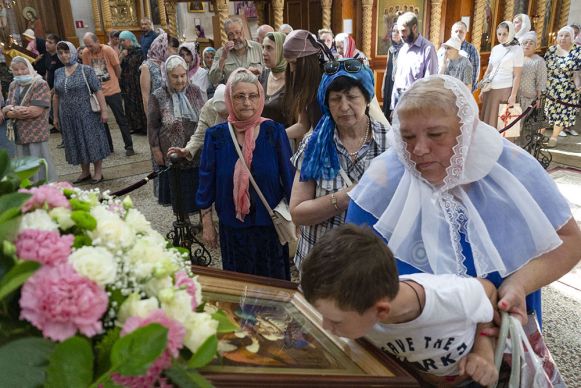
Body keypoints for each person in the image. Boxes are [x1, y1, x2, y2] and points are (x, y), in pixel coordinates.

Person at [346, 74, 581, 329]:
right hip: (410, 336)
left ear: (468, 130)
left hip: (499, 326)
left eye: (436, 134)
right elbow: (352, 264)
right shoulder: (383, 180)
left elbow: (569, 241)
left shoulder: (514, 170)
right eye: (408, 137)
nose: (420, 149)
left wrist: (519, 283)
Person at [301, 224, 498, 387]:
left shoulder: (449, 295)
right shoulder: (359, 309)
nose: (325, 326)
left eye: (335, 321)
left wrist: (483, 350)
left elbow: (488, 291)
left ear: (381, 311)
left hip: (467, 379)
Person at [289, 59, 390, 271]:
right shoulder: (314, 144)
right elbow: (298, 212)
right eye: (335, 99)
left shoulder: (390, 144)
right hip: (320, 263)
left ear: (367, 97)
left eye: (352, 97)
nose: (344, 107)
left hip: (371, 266)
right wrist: (348, 197)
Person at [196, 68, 294, 280]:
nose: (247, 103)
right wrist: (207, 223)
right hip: (233, 227)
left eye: (252, 96)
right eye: (240, 96)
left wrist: (299, 218)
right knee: (239, 287)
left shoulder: (273, 132)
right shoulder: (216, 136)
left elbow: (289, 178)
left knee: (273, 286)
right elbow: (206, 181)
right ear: (230, 99)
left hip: (270, 226)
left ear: (260, 97)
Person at [148, 55, 205, 213]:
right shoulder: (158, 95)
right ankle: (183, 220)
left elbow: (205, 116)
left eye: (183, 75)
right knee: (179, 189)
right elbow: (152, 126)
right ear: (167, 75)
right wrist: (155, 149)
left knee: (198, 186)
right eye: (175, 76)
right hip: (171, 153)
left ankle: (202, 219)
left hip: (195, 152)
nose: (180, 80)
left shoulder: (195, 90)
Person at [53, 41, 110, 184]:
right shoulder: (58, 72)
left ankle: (98, 172)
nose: (64, 55)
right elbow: (56, 95)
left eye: (66, 52)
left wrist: (104, 111)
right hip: (67, 115)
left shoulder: (86, 70)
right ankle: (85, 171)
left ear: (72, 52)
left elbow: (97, 90)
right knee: (76, 141)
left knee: (92, 141)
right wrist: (55, 116)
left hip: (87, 113)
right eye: (60, 53)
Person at [2, 56, 56, 182]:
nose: (20, 72)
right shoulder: (13, 85)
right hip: (18, 132)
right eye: (16, 70)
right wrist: (11, 112)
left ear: (29, 68)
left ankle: (47, 186)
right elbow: (6, 110)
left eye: (23, 69)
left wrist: (12, 110)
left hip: (35, 131)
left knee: (39, 159)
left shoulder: (40, 83)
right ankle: (29, 189)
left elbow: (35, 111)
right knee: (23, 163)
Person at [83, 32, 135, 156]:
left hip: (113, 90)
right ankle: (108, 147)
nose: (89, 48)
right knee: (102, 121)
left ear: (97, 41)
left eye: (90, 45)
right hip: (97, 91)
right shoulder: (86, 53)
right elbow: (87, 71)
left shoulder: (108, 50)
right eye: (86, 46)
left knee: (121, 119)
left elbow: (118, 68)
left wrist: (115, 82)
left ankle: (129, 146)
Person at [283, 29, 331, 140]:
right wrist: (276, 136)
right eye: (288, 63)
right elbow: (303, 125)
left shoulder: (329, 82)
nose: (291, 69)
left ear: (307, 61)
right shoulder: (304, 82)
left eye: (294, 63)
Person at [479, 21, 523, 128]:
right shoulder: (495, 49)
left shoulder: (517, 50)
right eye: (499, 34)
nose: (501, 37)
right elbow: (489, 71)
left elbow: (517, 75)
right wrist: (482, 90)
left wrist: (513, 95)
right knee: (488, 121)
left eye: (504, 34)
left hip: (504, 91)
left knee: (502, 124)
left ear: (511, 33)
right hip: (490, 90)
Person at [168, 84, 227, 161]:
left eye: (226, 113)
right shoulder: (208, 107)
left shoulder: (241, 107)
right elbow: (200, 135)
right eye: (219, 113)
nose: (224, 117)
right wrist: (187, 149)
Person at [391, 12, 438, 109]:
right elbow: (398, 80)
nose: (401, 35)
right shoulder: (403, 49)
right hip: (399, 101)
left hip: (416, 103)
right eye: (399, 31)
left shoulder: (428, 49)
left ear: (414, 28)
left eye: (403, 31)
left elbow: (430, 82)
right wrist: (393, 106)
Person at [544, 26, 581, 147]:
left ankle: (554, 137)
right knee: (546, 112)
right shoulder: (551, 50)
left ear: (572, 38)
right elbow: (545, 68)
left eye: (566, 36)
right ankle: (540, 135)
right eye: (561, 35)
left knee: (561, 114)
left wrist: (578, 86)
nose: (563, 38)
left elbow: (576, 73)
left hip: (568, 89)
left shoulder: (577, 51)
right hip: (550, 86)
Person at [209, 17, 263, 86]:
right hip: (233, 94)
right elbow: (213, 80)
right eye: (231, 34)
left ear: (243, 31)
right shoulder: (221, 53)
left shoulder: (257, 48)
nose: (235, 37)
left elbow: (267, 72)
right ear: (227, 36)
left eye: (238, 32)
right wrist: (223, 58)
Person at [517, 31, 547, 144]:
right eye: (525, 42)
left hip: (529, 100)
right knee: (513, 127)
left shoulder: (539, 61)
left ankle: (523, 149)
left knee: (525, 128)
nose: (527, 45)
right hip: (515, 98)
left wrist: (539, 99)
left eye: (531, 43)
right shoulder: (517, 58)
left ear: (535, 46)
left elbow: (541, 82)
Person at [118, 31, 147, 136]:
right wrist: (121, 56)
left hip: (137, 82)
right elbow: (118, 65)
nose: (121, 43)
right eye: (120, 40)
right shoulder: (123, 52)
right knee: (129, 104)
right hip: (127, 83)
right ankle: (134, 126)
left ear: (130, 40)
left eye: (123, 40)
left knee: (139, 103)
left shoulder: (140, 51)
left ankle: (143, 126)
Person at [261, 32, 289, 126]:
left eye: (269, 48)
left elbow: (301, 125)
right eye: (263, 47)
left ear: (282, 50)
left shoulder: (292, 81)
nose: (264, 52)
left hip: (284, 137)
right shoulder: (262, 76)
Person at [448, 21, 480, 92]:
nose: (458, 34)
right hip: (447, 89)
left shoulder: (472, 49)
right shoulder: (446, 47)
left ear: (465, 34)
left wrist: (469, 92)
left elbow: (475, 72)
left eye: (461, 32)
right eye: (456, 31)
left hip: (464, 90)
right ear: (451, 33)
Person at [382, 23, 403, 118]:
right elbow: (387, 68)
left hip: (399, 84)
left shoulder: (406, 49)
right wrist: (383, 86)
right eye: (393, 31)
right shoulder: (391, 49)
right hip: (389, 82)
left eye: (398, 31)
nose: (395, 33)